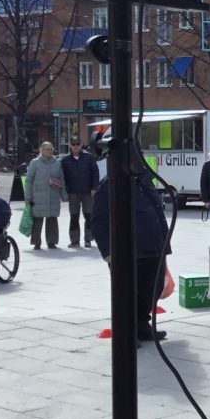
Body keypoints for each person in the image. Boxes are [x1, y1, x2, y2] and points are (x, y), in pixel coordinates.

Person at [92, 174, 171, 343]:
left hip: (154, 248)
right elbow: (98, 218)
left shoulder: (144, 180)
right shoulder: (111, 183)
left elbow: (157, 212)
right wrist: (108, 252)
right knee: (128, 294)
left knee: (152, 290)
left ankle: (141, 325)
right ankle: (127, 334)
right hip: (127, 251)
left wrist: (164, 246)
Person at [25, 141, 66, 250]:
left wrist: (64, 195)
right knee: (37, 220)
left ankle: (51, 242)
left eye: (51, 149)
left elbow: (61, 180)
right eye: (48, 149)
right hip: (38, 196)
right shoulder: (35, 163)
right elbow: (28, 180)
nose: (50, 151)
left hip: (53, 195)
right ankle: (36, 242)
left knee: (52, 219)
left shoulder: (57, 163)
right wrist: (28, 197)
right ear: (42, 150)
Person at [60, 136, 99, 249]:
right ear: (70, 145)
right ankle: (74, 241)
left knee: (88, 216)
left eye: (78, 144)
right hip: (73, 193)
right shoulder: (65, 160)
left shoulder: (89, 157)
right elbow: (63, 177)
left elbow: (95, 173)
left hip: (87, 192)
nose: (76, 146)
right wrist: (65, 192)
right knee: (74, 217)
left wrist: (94, 188)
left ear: (81, 145)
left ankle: (88, 239)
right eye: (73, 144)